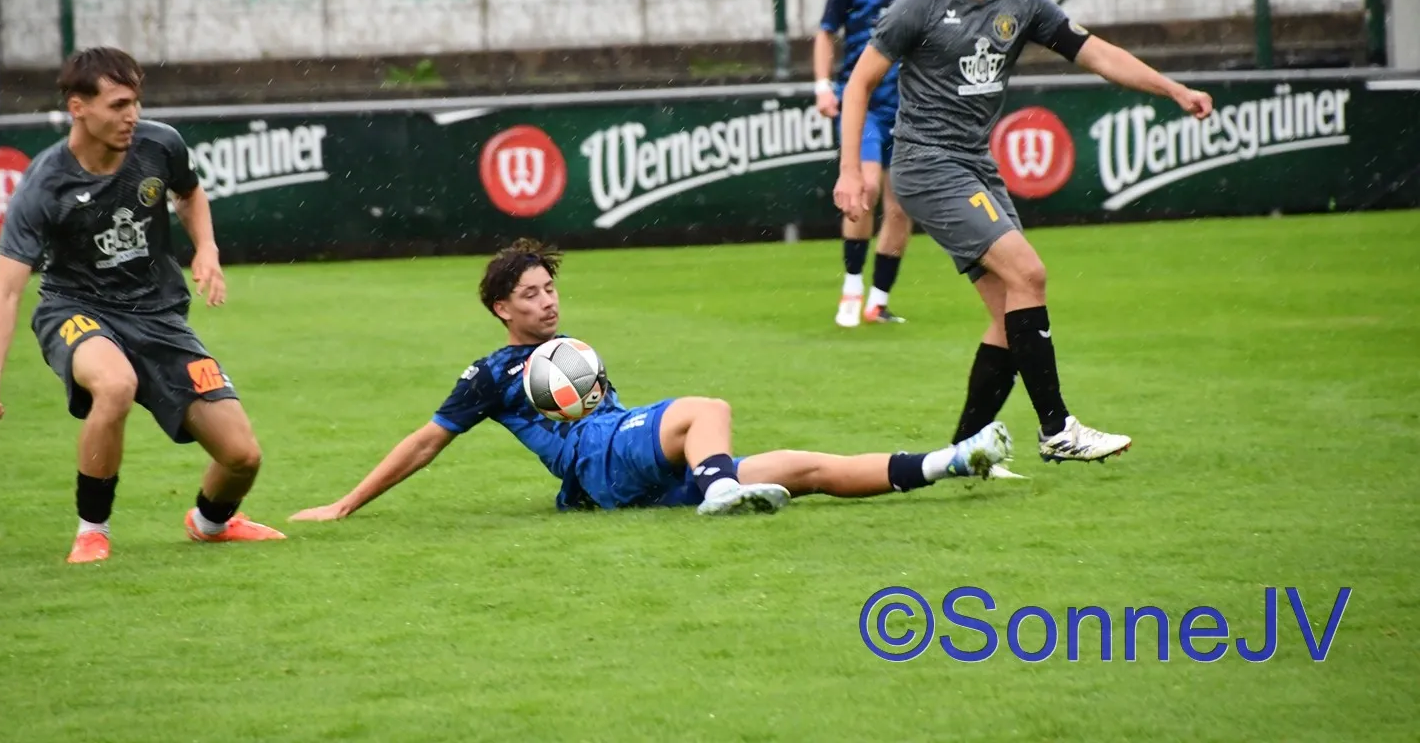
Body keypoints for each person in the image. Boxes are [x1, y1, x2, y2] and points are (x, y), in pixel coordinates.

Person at [833, 0, 1214, 464]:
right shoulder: (918, 5)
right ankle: (1057, 430)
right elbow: (859, 83)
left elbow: (1096, 52)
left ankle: (962, 454)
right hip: (927, 165)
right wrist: (849, 172)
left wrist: (1173, 89)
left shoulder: (1020, 1)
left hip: (975, 165)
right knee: (1029, 273)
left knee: (1009, 314)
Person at [289, 239, 1014, 522]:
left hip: (627, 467)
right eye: (531, 295)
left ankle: (954, 460)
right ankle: (719, 491)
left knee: (806, 468)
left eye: (550, 288)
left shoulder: (567, 347)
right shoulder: (490, 374)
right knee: (705, 407)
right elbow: (427, 441)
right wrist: (345, 504)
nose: (547, 301)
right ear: (501, 309)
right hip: (598, 458)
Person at [0, 47, 285, 563]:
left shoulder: (161, 145)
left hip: (158, 316)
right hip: (75, 310)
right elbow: (6, 290)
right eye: (118, 105)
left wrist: (206, 247)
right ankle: (92, 530)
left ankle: (210, 524)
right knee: (115, 385)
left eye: (135, 102)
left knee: (242, 457)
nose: (131, 115)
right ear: (78, 107)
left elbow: (189, 194)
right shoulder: (44, 185)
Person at [813, 0, 939, 328]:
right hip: (862, 103)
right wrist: (823, 85)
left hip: (910, 107)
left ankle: (878, 302)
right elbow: (826, 32)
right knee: (863, 188)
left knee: (902, 205)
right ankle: (852, 288)